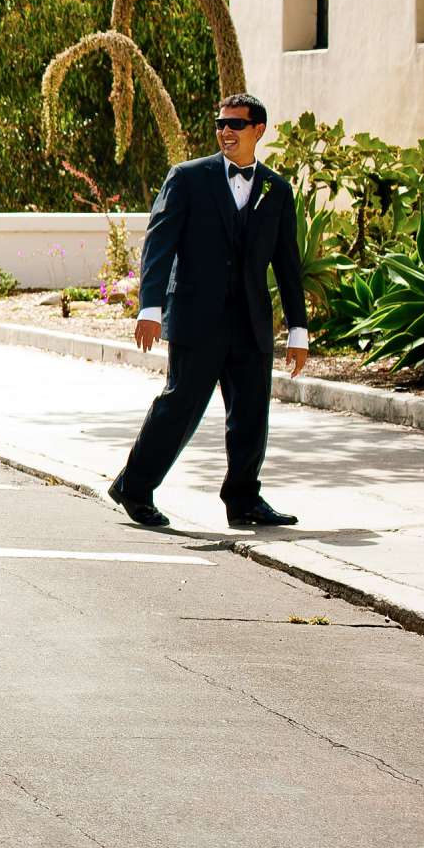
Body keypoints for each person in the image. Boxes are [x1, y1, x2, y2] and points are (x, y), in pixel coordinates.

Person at [108, 92, 309, 529]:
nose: (225, 131)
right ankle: (134, 487)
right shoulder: (187, 178)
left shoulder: (277, 189)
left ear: (258, 130)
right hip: (197, 319)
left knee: (252, 415)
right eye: (220, 123)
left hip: (251, 323)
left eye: (236, 124)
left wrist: (298, 330)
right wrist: (150, 307)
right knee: (179, 407)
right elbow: (159, 246)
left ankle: (244, 500)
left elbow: (288, 264)